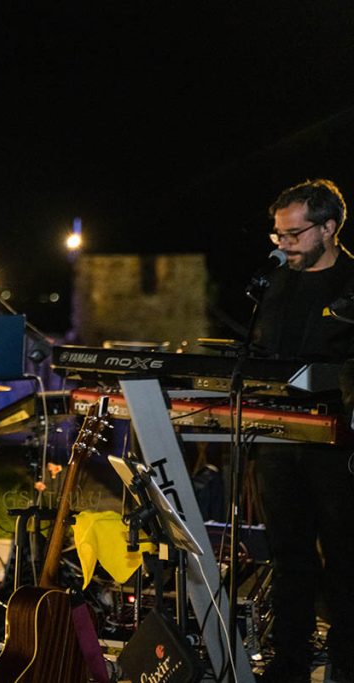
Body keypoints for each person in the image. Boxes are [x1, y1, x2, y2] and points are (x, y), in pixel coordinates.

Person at [252, 179, 354, 683]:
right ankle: (289, 661)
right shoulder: (276, 286)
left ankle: (345, 658)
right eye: (278, 235)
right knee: (287, 551)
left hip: (339, 440)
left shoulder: (353, 283)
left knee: (344, 551)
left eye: (293, 235)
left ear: (329, 228)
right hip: (278, 434)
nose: (284, 245)